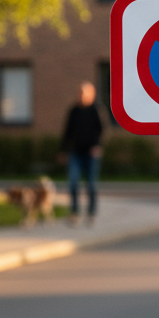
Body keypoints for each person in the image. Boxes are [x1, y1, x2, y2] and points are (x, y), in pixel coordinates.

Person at [60, 82, 104, 224]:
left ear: (92, 95)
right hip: (76, 153)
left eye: (85, 93)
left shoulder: (96, 110)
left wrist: (97, 146)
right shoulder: (74, 111)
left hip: (91, 153)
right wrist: (62, 150)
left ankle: (91, 213)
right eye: (80, 93)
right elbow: (67, 131)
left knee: (91, 184)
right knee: (73, 182)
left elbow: (101, 130)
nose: (82, 96)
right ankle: (74, 212)